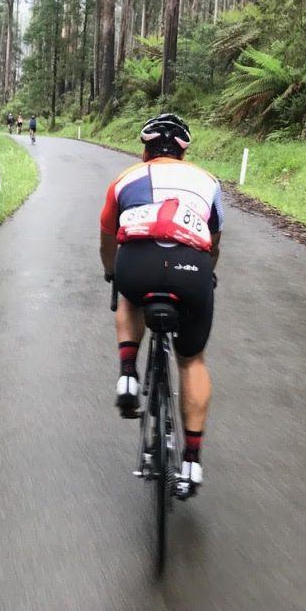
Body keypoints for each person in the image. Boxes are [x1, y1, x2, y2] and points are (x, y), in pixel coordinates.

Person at [98, 113, 222, 498]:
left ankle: (127, 374)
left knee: (129, 291)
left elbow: (108, 240)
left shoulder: (124, 179)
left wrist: (111, 273)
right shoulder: (208, 182)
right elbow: (212, 244)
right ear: (184, 153)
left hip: (138, 267)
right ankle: (191, 463)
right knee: (192, 360)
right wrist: (202, 276)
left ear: (144, 150)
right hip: (191, 270)